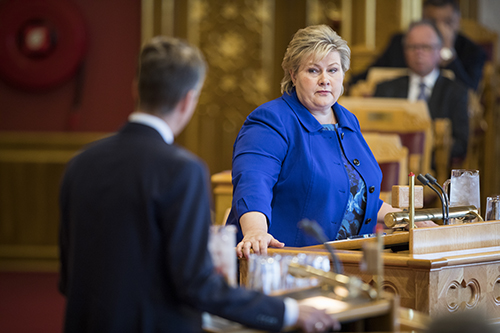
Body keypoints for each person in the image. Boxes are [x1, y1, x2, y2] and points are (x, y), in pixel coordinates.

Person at [58, 36, 340, 333]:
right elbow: (197, 284)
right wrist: (287, 312)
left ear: (136, 88)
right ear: (188, 100)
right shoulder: (181, 171)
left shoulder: (81, 163)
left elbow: (68, 277)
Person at [225, 25, 435, 259]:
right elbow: (254, 182)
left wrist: (410, 220)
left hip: (349, 261)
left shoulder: (347, 120)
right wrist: (255, 231)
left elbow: (357, 197)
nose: (325, 80)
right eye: (314, 71)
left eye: (333, 70)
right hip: (286, 263)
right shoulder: (272, 120)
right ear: (293, 75)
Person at [373, 20, 469, 162]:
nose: (419, 52)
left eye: (426, 47)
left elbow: (461, 144)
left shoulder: (456, 91)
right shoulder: (385, 89)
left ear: (439, 50)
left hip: (433, 171)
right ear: (404, 50)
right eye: (413, 47)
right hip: (391, 161)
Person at [350, 0, 486, 91]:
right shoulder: (401, 43)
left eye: (447, 22)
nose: (439, 30)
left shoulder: (473, 52)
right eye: (432, 22)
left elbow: (469, 94)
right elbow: (366, 76)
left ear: (458, 22)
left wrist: (447, 53)